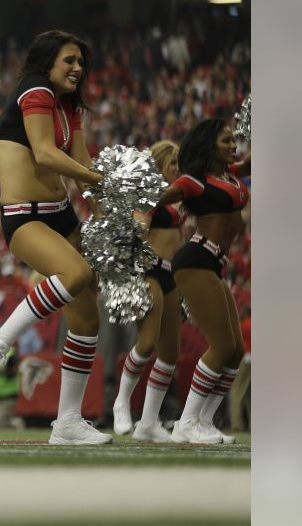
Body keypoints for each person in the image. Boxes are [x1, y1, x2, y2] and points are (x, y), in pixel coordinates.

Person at [0, 30, 110, 445]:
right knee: (76, 273)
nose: (77, 68)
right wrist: (101, 179)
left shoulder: (69, 105)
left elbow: (80, 160)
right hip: (24, 216)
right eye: (69, 60)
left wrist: (107, 217)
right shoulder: (34, 90)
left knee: (86, 316)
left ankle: (67, 423)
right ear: (47, 62)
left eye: (81, 62)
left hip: (61, 214)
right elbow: (46, 154)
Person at [156, 118, 250, 444]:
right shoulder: (193, 181)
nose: (233, 146)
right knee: (222, 346)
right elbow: (161, 197)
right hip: (195, 259)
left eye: (234, 140)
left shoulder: (228, 173)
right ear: (210, 145)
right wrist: (137, 198)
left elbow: (249, 161)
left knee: (236, 351)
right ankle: (186, 423)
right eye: (226, 141)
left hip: (214, 264)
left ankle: (204, 422)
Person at [112, 140, 186, 441]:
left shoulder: (177, 194)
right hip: (149, 270)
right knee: (147, 343)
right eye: (172, 164)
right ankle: (121, 402)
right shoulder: (149, 193)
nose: (177, 169)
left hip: (173, 273)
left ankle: (149, 422)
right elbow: (138, 227)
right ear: (158, 165)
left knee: (170, 353)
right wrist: (139, 221)